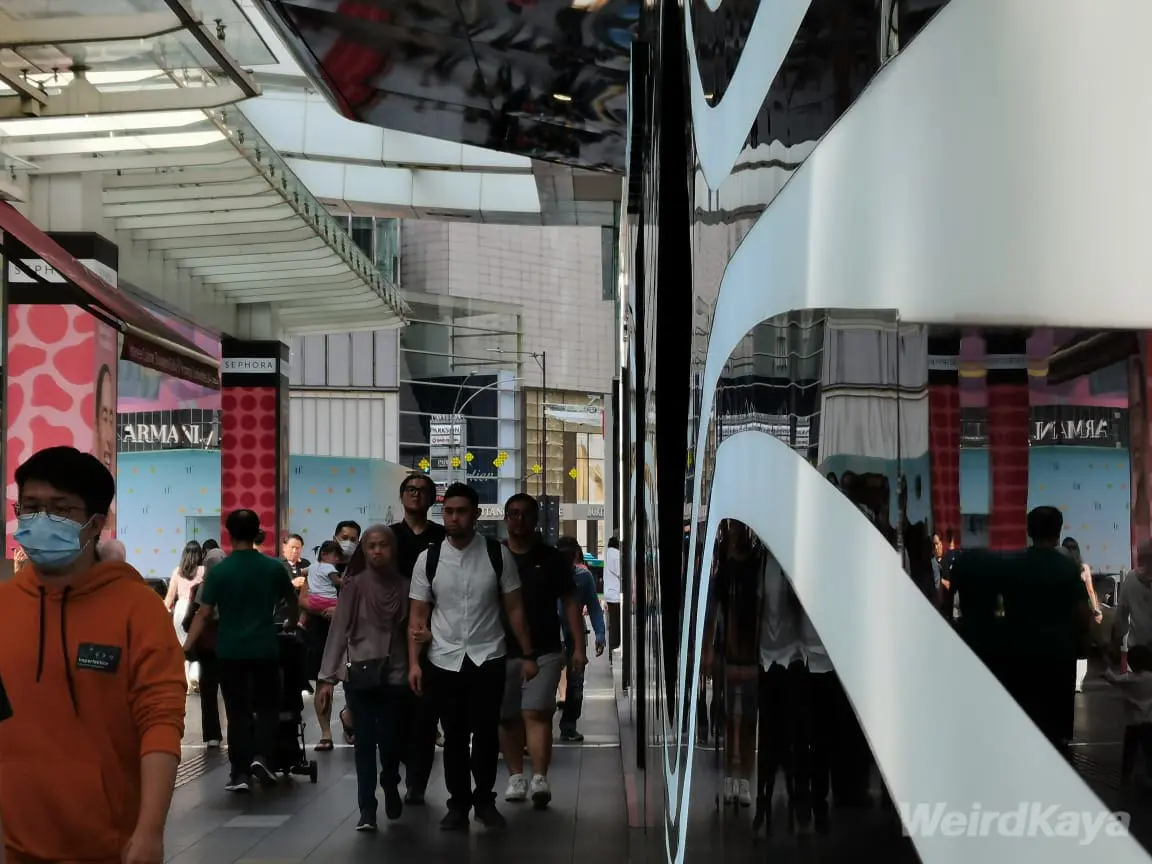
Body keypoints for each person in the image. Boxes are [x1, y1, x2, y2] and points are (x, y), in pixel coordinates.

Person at [0, 446, 186, 863]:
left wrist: (150, 830)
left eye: (60, 509)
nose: (41, 519)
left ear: (96, 523)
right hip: (16, 847)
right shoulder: (4, 607)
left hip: (111, 847)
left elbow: (161, 721)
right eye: (31, 507)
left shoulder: (138, 609)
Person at [408, 483, 537, 831]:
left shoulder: (497, 555)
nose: (454, 518)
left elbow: (515, 609)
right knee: (453, 736)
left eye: (461, 511)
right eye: (448, 511)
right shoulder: (428, 559)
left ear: (476, 514)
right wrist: (415, 663)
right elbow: (418, 616)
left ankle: (484, 801)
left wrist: (528, 654)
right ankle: (458, 804)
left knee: (486, 733)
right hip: (443, 658)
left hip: (488, 655)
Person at [184, 509, 299, 792]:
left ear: (229, 534)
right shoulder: (273, 567)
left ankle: (239, 774)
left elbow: (203, 613)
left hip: (230, 651)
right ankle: (262, 757)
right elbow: (291, 601)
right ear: (258, 532)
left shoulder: (220, 571)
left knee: (237, 712)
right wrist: (291, 622)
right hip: (265, 648)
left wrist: (185, 646)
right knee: (268, 707)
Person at [316, 526, 411, 832]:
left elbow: (413, 631)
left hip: (396, 673)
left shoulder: (405, 587)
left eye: (383, 545)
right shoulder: (354, 586)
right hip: (360, 672)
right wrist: (326, 679)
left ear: (393, 549)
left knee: (392, 739)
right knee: (365, 742)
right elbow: (339, 630)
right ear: (364, 550)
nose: (377, 551)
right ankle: (367, 808)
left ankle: (390, 781)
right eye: (371, 546)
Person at [498, 495, 585, 808]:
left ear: (536, 520)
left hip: (545, 647)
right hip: (500, 649)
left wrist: (579, 647)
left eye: (525, 514)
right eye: (513, 514)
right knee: (507, 716)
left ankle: (539, 776)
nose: (519, 520)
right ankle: (515, 776)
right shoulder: (496, 555)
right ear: (506, 518)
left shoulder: (551, 558)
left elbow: (571, 603)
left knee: (536, 711)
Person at [1000, 506, 1093, 752]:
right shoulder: (1067, 567)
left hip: (1022, 654)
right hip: (1059, 655)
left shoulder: (1015, 565)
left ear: (1029, 531)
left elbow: (1003, 608)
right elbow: (1083, 614)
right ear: (1058, 531)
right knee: (1057, 731)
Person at [389, 472, 446, 804]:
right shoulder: (387, 537)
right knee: (395, 713)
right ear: (401, 496)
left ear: (432, 499)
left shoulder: (442, 537)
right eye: (410, 489)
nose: (415, 494)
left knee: (425, 714)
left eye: (423, 490)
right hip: (391, 637)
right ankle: (397, 768)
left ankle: (416, 782)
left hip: (433, 635)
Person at [556, 536, 606, 743]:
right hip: (551, 634)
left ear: (575, 555)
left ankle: (569, 726)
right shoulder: (548, 575)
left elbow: (593, 605)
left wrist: (600, 634)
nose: (566, 559)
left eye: (569, 555)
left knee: (576, 682)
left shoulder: (584, 577)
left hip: (575, 634)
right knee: (547, 681)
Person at [300, 539, 345, 749]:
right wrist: (320, 611)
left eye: (353, 538)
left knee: (355, 684)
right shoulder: (325, 570)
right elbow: (303, 599)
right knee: (323, 683)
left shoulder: (357, 571)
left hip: (349, 632)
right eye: (344, 537)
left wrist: (341, 611)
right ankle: (326, 733)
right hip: (320, 632)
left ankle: (352, 721)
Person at [184, 548, 225, 748]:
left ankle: (212, 735)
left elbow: (193, 617)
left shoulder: (202, 587)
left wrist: (188, 643)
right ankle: (239, 730)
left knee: (208, 691)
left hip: (207, 645)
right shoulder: (234, 585)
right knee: (233, 690)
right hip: (230, 643)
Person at [1062, 537, 1103, 692]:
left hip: (1065, 611)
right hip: (1081, 611)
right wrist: (1096, 610)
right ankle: (1078, 683)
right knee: (1082, 647)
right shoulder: (1083, 568)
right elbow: (1090, 591)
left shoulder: (1061, 567)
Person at [165, 540, 205, 693]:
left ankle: (187, 684)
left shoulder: (177, 571)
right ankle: (196, 674)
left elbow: (170, 596)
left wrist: (164, 610)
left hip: (180, 608)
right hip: (196, 608)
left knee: (183, 647)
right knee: (196, 644)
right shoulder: (203, 571)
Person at [604, 537, 622, 659]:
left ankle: (611, 652)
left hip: (609, 594)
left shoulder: (607, 554)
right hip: (616, 595)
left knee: (612, 625)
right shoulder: (616, 554)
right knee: (616, 626)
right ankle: (614, 651)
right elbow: (620, 572)